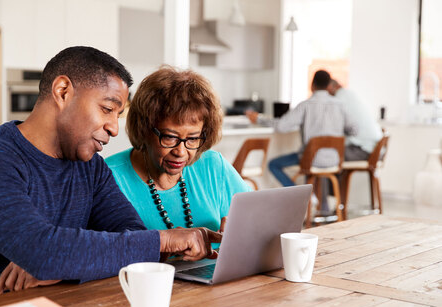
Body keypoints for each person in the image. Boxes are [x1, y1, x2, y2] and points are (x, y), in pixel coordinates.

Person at [0, 47, 221, 305]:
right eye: (107, 109)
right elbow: (42, 250)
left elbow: (134, 237)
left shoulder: (90, 168)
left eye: (118, 114)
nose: (114, 127)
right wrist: (164, 239)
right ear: (63, 92)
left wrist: (65, 265)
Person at [105, 67, 251, 233]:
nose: (181, 152)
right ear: (144, 128)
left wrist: (241, 233)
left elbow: (260, 219)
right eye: (170, 137)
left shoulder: (214, 166)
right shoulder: (108, 177)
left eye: (193, 138)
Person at [246, 70, 357, 211]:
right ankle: (324, 211)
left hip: (311, 160)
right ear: (329, 85)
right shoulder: (341, 105)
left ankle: (300, 195)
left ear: (312, 85)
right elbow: (354, 130)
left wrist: (259, 119)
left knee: (274, 164)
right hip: (334, 161)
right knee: (319, 170)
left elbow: (281, 126)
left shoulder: (306, 105)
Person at [327, 79, 383, 161]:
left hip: (364, 151)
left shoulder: (339, 98)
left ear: (331, 87)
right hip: (374, 148)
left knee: (325, 157)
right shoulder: (349, 94)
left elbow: (334, 127)